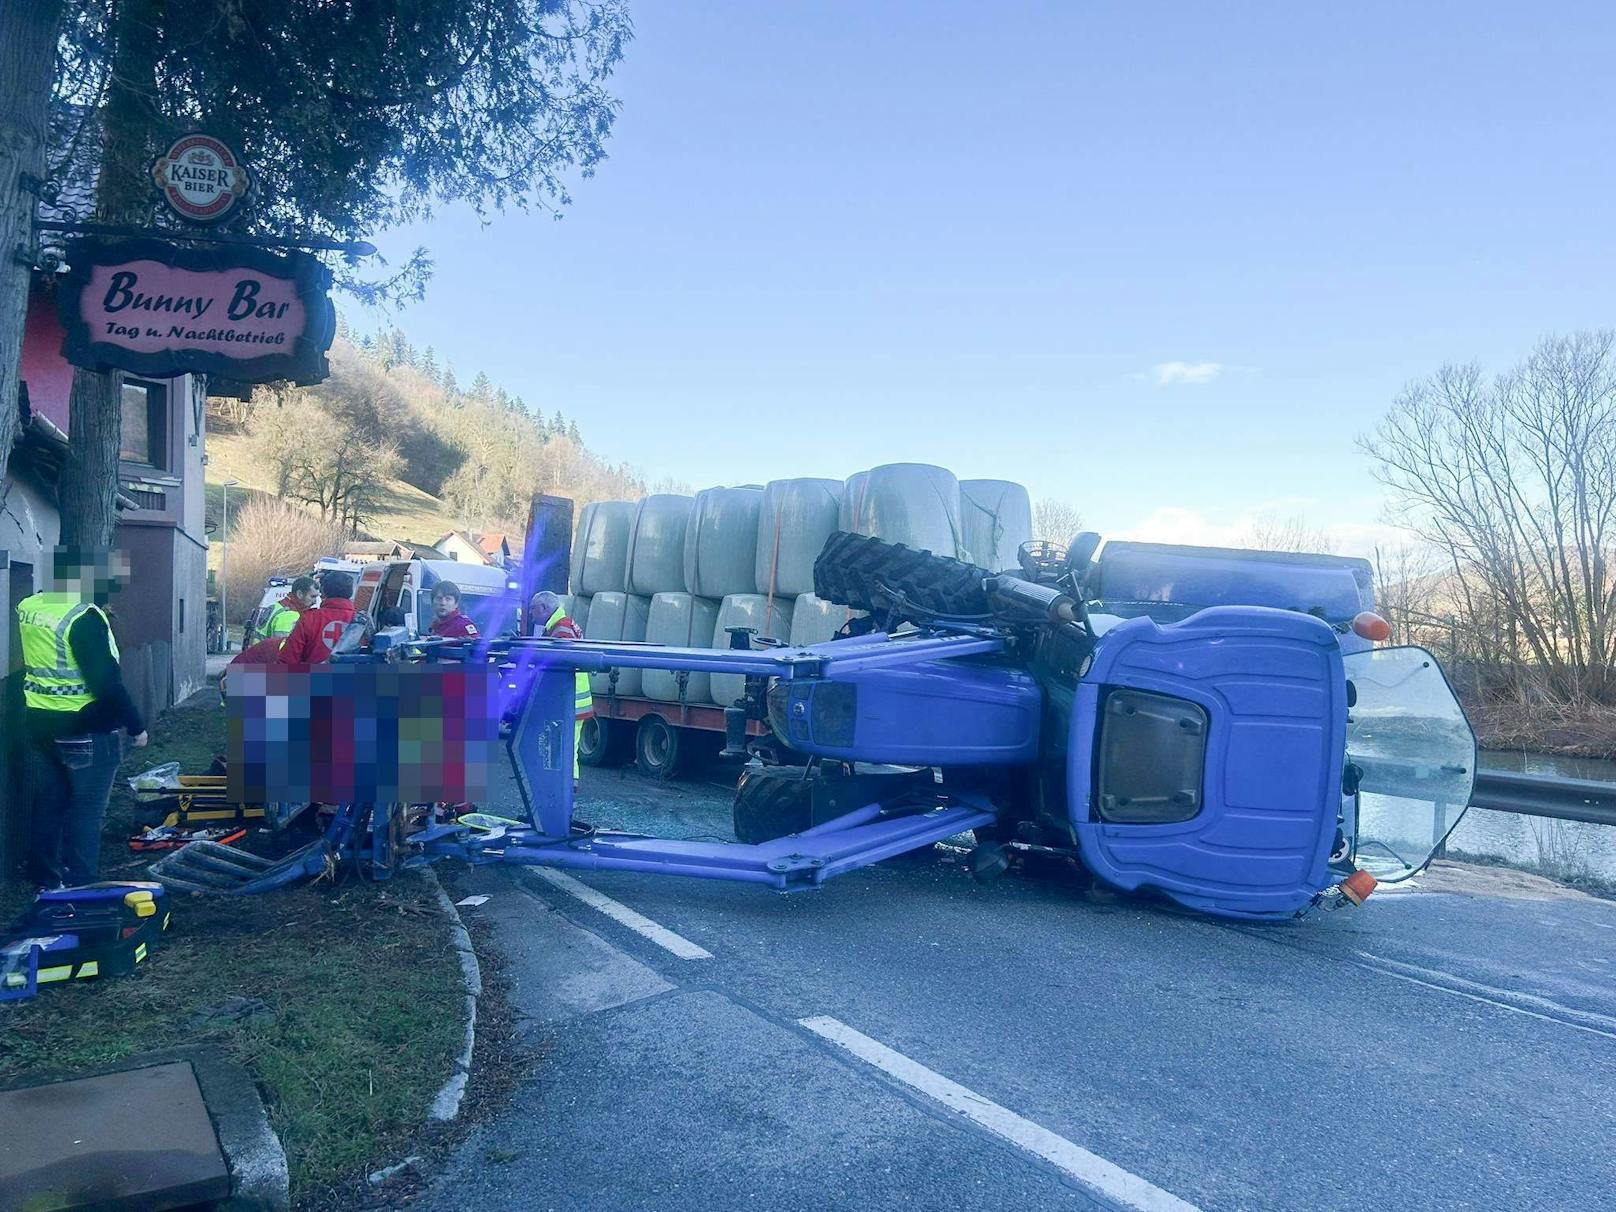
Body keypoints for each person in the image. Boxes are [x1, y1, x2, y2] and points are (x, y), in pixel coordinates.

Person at [16, 547, 148, 889]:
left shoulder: (32, 607)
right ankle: (84, 886)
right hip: (85, 728)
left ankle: (46, 880)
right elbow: (106, 683)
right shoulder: (83, 617)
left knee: (50, 802)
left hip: (41, 724)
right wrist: (136, 725)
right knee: (86, 810)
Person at [530, 590, 594, 783]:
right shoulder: (561, 625)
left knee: (565, 750)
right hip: (575, 699)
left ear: (544, 608)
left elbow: (558, 664)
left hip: (570, 700)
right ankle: (566, 794)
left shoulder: (561, 630)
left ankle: (566, 794)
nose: (531, 614)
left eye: (533, 610)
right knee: (567, 748)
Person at [276, 570, 357, 664]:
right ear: (351, 592)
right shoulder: (360, 623)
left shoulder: (309, 619)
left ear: (323, 592)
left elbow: (287, 660)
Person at [260, 576, 317, 645]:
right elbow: (284, 649)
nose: (315, 602)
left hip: (257, 652)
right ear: (300, 594)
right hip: (269, 655)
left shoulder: (276, 606)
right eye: (312, 597)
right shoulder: (290, 616)